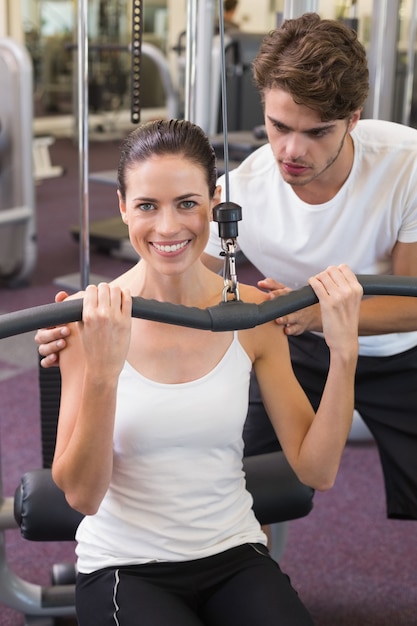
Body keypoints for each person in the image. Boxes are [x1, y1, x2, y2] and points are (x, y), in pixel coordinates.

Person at [36, 13, 417, 521]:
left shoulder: (404, 164)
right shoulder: (246, 188)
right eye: (279, 126)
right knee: (243, 474)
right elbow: (177, 277)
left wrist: (318, 314)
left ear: (352, 119)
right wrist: (86, 317)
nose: (292, 151)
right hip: (293, 338)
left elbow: (410, 298)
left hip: (398, 351)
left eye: (317, 132)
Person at [49, 118, 362, 625]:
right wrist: (104, 374)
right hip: (125, 567)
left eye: (187, 203)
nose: (169, 227)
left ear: (216, 202)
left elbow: (317, 469)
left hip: (233, 551)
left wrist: (345, 354)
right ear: (123, 206)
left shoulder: (252, 314)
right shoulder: (89, 321)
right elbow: (82, 495)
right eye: (148, 205)